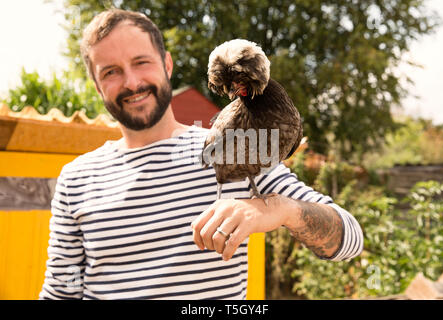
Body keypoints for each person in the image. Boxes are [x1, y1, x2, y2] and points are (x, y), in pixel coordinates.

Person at [39, 8, 363, 300]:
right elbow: (60, 291)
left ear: (167, 64)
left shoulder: (234, 148)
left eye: (141, 62)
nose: (132, 81)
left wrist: (278, 209)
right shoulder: (76, 177)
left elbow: (349, 239)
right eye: (111, 71)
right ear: (97, 85)